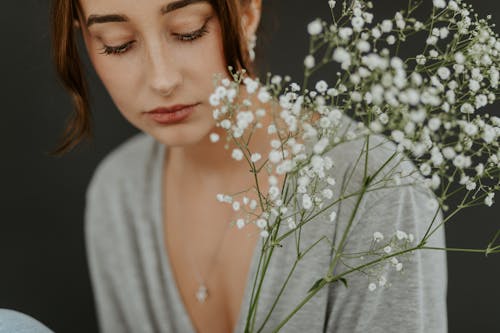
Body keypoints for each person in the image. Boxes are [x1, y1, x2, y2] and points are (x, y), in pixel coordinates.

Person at [49, 0, 448, 332]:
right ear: (84, 35)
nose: (162, 79)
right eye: (117, 44)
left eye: (188, 31)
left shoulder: (372, 186)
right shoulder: (119, 193)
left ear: (247, 11)